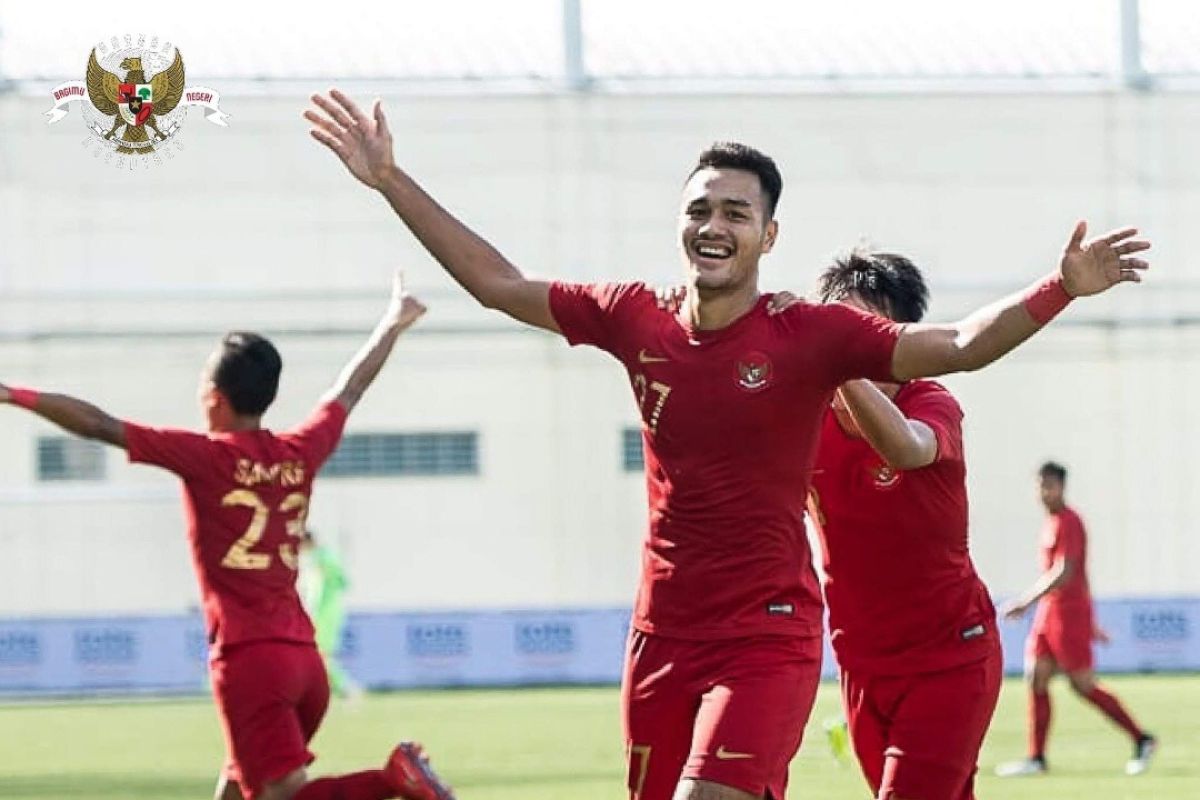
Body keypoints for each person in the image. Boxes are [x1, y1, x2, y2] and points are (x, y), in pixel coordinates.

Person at [304, 88, 1149, 800]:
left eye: (736, 213)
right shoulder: (632, 316)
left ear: (768, 237)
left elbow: (960, 344)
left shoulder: (811, 337)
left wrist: (1060, 287)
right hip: (663, 634)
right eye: (700, 208)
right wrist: (389, 181)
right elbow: (498, 284)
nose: (715, 225)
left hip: (772, 631)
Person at [0, 273, 454, 800]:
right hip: (305, 666)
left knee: (280, 795)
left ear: (214, 398)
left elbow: (100, 425)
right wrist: (391, 324)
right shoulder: (298, 451)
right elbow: (348, 390)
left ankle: (391, 778)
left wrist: (12, 393)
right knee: (239, 786)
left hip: (250, 661)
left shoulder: (206, 456)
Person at [802, 251, 1003, 800]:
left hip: (951, 657)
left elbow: (908, 448)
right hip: (862, 665)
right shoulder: (806, 421)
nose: (843, 340)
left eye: (861, 328)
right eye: (835, 325)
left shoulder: (931, 402)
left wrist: (839, 366)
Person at [997, 461, 1157, 778]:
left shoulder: (1070, 521)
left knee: (1082, 685)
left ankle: (1142, 738)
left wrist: (1026, 602)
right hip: (1050, 612)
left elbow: (1066, 572)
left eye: (1049, 485)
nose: (1043, 492)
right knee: (1036, 676)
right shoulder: (1051, 522)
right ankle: (1037, 757)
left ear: (1062, 487)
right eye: (1040, 485)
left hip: (1068, 613)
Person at [300, 529, 362, 700]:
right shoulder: (327, 557)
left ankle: (346, 688)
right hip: (329, 611)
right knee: (318, 655)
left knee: (320, 655)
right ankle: (335, 689)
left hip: (324, 613)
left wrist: (310, 608)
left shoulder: (319, 561)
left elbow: (317, 590)